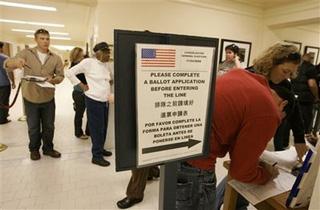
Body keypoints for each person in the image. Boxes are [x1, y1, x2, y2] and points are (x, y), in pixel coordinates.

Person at [215, 44, 305, 210]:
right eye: (285, 71)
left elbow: (295, 114)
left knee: (245, 168)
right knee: (242, 170)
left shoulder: (283, 83)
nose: (287, 77)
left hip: (249, 131)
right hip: (239, 130)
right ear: (272, 62)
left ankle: (236, 205)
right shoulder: (250, 76)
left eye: (291, 74)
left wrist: (301, 145)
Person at [4, 29, 64, 160]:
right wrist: (16, 62)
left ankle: (48, 149)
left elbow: (60, 76)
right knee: (33, 127)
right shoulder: (25, 53)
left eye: (47, 38)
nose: (45, 41)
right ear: (36, 40)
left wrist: (52, 79)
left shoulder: (56, 58)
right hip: (30, 98)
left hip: (48, 98)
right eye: (42, 38)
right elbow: (7, 64)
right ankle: (34, 149)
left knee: (49, 126)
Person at [66, 42, 113, 167]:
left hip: (105, 101)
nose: (108, 54)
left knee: (103, 128)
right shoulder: (88, 63)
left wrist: (109, 86)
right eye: (105, 52)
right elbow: (69, 73)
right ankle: (96, 156)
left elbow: (105, 80)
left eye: (108, 52)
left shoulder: (105, 65)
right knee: (97, 129)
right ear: (97, 53)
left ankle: (100, 149)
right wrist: (81, 85)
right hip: (93, 100)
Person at [292, 53, 319, 141]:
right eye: (312, 57)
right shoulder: (311, 68)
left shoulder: (297, 67)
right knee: (307, 120)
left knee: (291, 120)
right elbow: (312, 84)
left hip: (295, 96)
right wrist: (316, 96)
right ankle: (306, 140)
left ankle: (283, 145)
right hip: (306, 99)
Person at [68, 47, 89, 139]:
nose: (83, 57)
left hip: (88, 92)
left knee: (90, 113)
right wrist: (83, 85)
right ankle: (78, 133)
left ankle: (89, 131)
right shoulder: (74, 66)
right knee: (79, 114)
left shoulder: (84, 63)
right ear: (76, 56)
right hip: (79, 93)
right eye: (81, 55)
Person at [0, 41, 15, 124]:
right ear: (1, 48)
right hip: (3, 83)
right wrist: (13, 81)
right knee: (4, 101)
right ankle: (2, 119)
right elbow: (9, 71)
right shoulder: (5, 57)